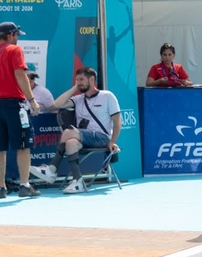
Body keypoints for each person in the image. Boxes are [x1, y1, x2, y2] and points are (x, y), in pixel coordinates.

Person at [30, 66, 120, 194]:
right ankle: (77, 181)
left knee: (68, 132)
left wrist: (112, 141)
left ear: (92, 79)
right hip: (83, 137)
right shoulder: (78, 99)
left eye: (82, 79)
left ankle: (52, 169)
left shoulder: (107, 96)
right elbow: (56, 105)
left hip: (102, 137)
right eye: (77, 80)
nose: (79, 82)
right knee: (70, 142)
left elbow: (117, 121)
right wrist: (75, 88)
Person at [0, 21, 39, 198]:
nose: (17, 40)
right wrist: (32, 100)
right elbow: (19, 75)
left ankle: (1, 188)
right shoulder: (14, 50)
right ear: (10, 35)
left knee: (0, 148)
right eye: (16, 35)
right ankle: (24, 185)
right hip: (14, 104)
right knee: (23, 146)